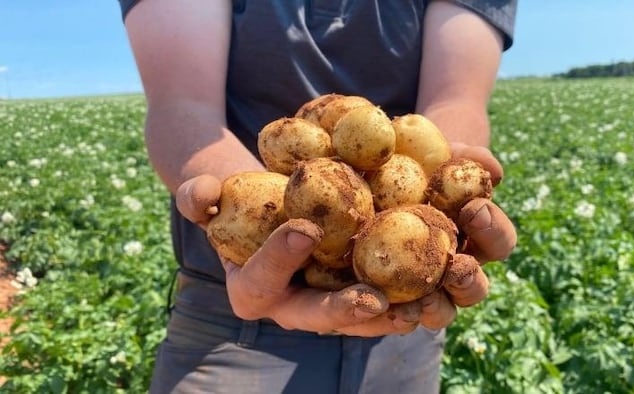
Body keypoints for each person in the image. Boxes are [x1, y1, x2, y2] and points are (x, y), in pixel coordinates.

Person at [118, 1, 518, 393]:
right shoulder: (312, 169)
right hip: (227, 319)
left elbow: (456, 99)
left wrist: (442, 193)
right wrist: (253, 224)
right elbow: (182, 103)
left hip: (404, 315)